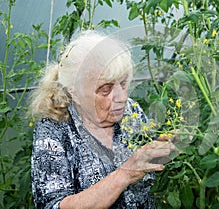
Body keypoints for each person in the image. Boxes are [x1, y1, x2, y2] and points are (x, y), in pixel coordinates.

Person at [28, 30, 174, 209]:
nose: (121, 96)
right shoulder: (54, 130)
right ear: (75, 92)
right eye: (106, 89)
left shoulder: (131, 111)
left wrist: (163, 149)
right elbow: (53, 206)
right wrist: (124, 174)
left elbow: (146, 161)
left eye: (123, 83)